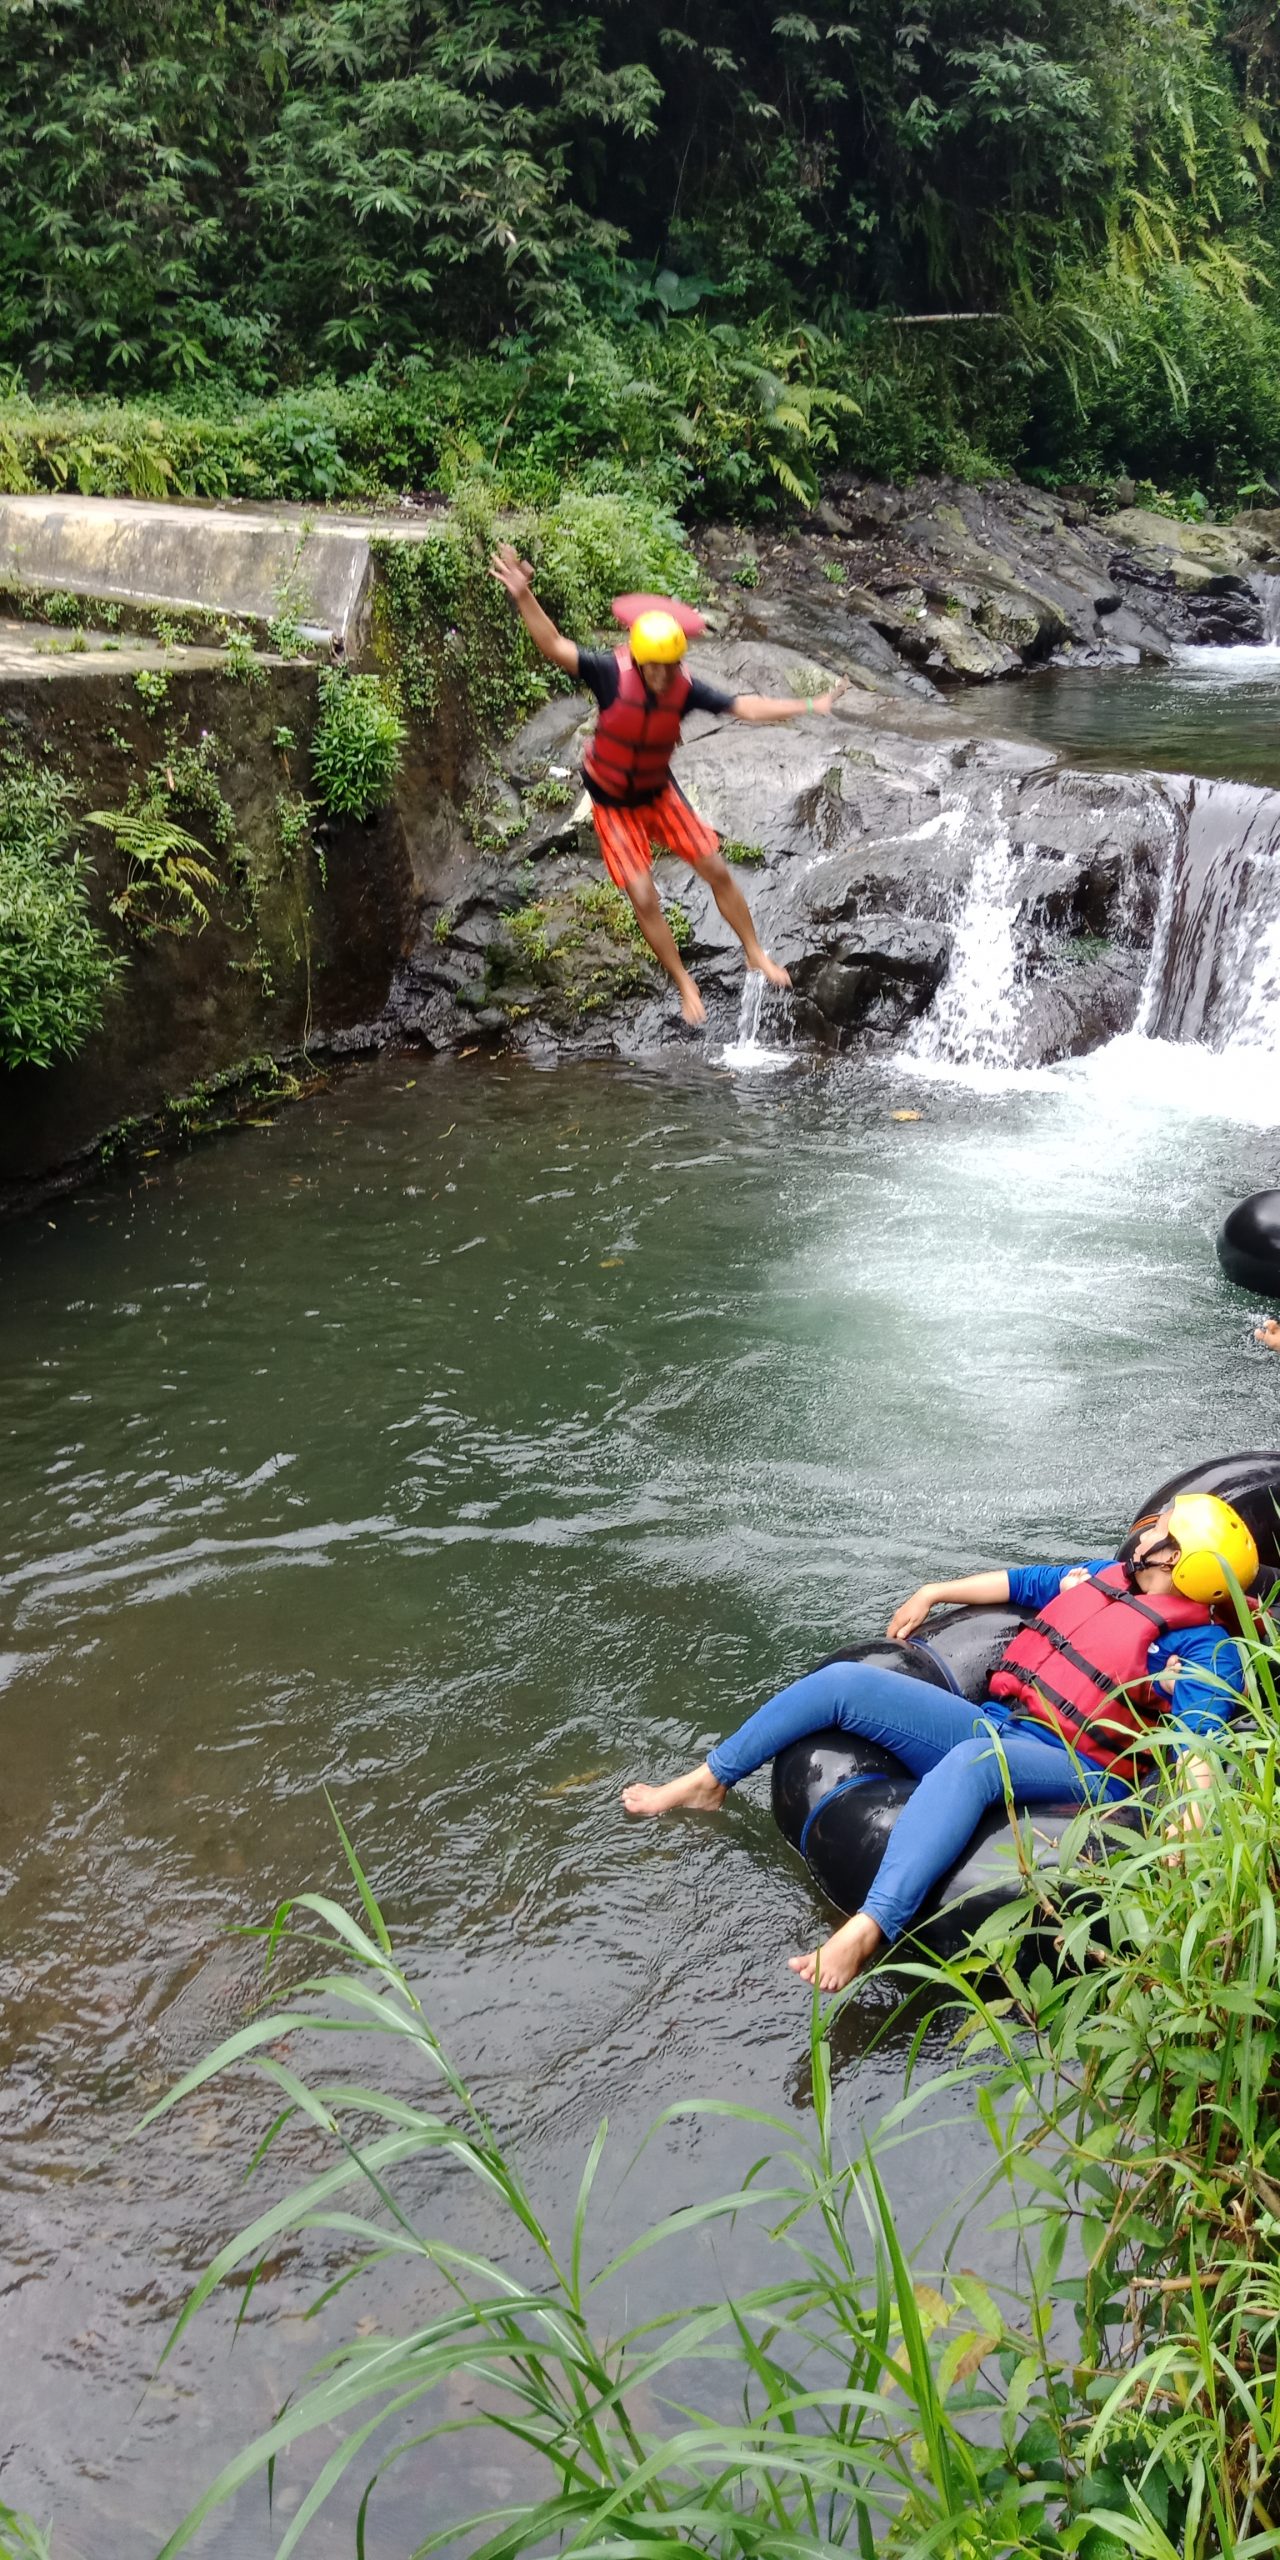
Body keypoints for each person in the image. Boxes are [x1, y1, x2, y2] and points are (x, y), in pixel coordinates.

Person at [622, 1494, 1255, 1991]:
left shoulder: (1203, 1646)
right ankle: (710, 1779)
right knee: (846, 1683)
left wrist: (1190, 1819)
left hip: (1084, 1767)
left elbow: (1199, 1745)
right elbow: (1020, 1584)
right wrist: (934, 1590)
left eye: (1159, 1529)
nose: (1144, 1531)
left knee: (973, 1762)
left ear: (1178, 1559)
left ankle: (869, 1927)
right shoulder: (1100, 1577)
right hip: (1002, 1721)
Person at [489, 545, 848, 1026]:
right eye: (652, 668)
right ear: (639, 662)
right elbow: (553, 644)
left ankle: (755, 952)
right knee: (642, 895)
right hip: (612, 801)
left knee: (716, 868)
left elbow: (745, 707)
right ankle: (684, 981)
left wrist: (810, 706)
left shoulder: (685, 687)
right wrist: (524, 595)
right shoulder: (609, 676)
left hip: (658, 792)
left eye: (668, 668)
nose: (661, 677)